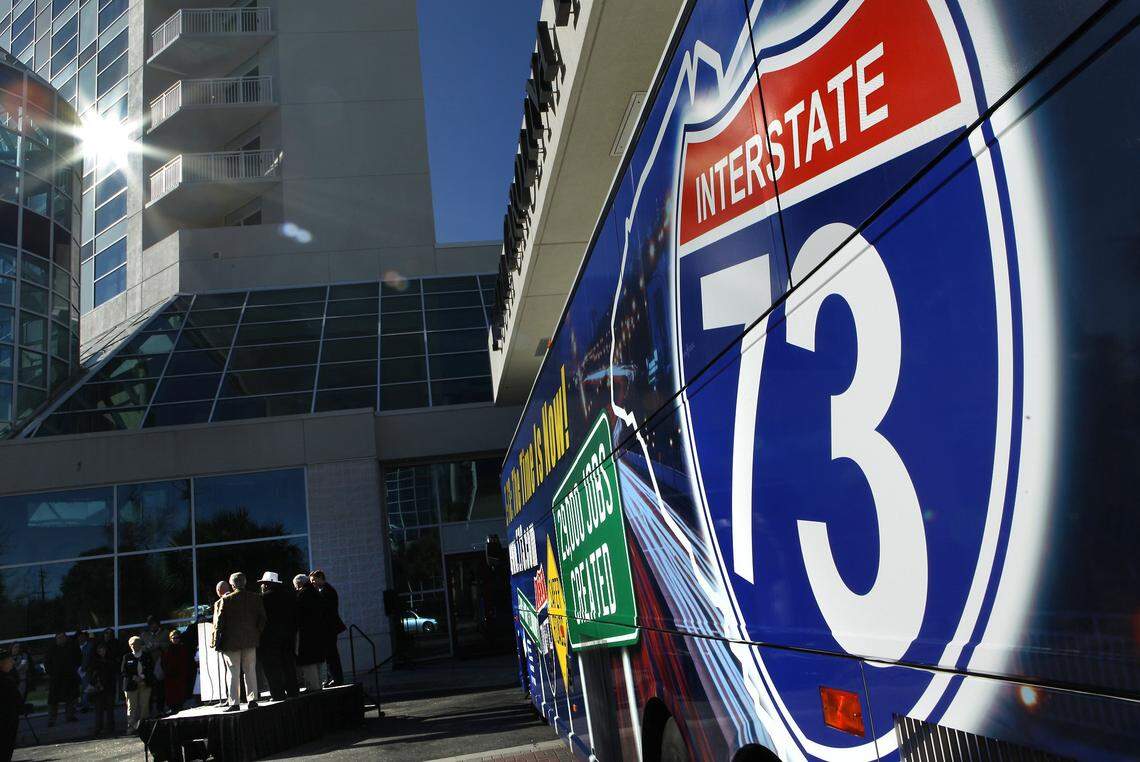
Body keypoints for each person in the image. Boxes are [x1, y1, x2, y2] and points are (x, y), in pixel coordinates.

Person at [211, 572, 266, 713]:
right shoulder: (256, 598)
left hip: (231, 642)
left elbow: (219, 624)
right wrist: (256, 632)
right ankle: (252, 700)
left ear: (232, 584)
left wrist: (215, 642)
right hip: (250, 640)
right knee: (250, 670)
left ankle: (234, 702)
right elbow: (262, 618)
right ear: (245, 582)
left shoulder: (225, 600)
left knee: (232, 672)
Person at [257, 571, 298, 701]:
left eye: (263, 583)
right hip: (288, 636)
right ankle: (292, 691)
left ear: (267, 584)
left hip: (269, 638)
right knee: (288, 665)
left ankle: (278, 694)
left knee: (272, 667)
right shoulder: (290, 597)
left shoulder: (263, 598)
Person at [309, 570, 346, 686]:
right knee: (329, 654)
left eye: (314, 580)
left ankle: (336, 678)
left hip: (329, 628)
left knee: (331, 654)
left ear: (320, 578)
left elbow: (326, 610)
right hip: (328, 627)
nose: (313, 583)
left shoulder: (327, 591)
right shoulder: (325, 590)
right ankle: (332, 677)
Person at [293, 574, 325, 692]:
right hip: (318, 631)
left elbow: (297, 616)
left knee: (308, 662)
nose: (296, 589)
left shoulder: (302, 595)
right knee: (317, 662)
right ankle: (319, 685)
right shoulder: (317, 593)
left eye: (296, 586)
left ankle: (313, 686)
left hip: (306, 633)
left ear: (299, 584)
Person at [121, 636, 155, 734]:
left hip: (145, 684)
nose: (133, 646)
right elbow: (123, 671)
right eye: (131, 644)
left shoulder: (146, 656)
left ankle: (143, 727)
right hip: (131, 686)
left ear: (140, 645)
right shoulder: (126, 657)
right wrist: (134, 677)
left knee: (144, 706)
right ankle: (131, 727)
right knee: (131, 707)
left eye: (135, 644)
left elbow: (150, 668)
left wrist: (144, 677)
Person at [1, 647, 30, 762]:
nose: (12, 662)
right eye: (9, 660)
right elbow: (15, 700)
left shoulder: (8, 678)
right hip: (6, 723)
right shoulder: (6, 681)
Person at [44, 632, 79, 726]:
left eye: (63, 637)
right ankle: (52, 719)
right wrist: (51, 672)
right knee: (53, 700)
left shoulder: (71, 647)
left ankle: (70, 716)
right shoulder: (51, 649)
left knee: (71, 698)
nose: (61, 639)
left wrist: (73, 669)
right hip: (56, 678)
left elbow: (78, 659)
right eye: (59, 637)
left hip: (69, 677)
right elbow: (47, 663)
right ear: (56, 639)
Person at [139, 616, 168, 716]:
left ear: (158, 624)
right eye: (151, 624)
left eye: (154, 624)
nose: (153, 626)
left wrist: (159, 644)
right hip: (149, 665)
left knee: (161, 689)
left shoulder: (165, 633)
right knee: (149, 690)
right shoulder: (144, 635)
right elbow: (140, 647)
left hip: (161, 664)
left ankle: (160, 709)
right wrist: (147, 647)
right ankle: (149, 710)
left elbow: (169, 644)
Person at [88, 641, 117, 736]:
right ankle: (98, 727)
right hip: (99, 688)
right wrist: (97, 684)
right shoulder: (94, 662)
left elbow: (113, 675)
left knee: (109, 709)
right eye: (100, 650)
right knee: (99, 710)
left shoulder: (110, 661)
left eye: (103, 650)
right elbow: (91, 676)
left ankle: (110, 727)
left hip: (109, 687)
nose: (102, 652)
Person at [160, 630, 193, 713]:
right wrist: (167, 671)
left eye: (177, 637)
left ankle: (180, 707)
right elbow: (163, 662)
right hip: (170, 676)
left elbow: (187, 662)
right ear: (170, 639)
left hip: (181, 675)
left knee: (181, 692)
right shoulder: (167, 649)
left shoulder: (184, 648)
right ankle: (172, 708)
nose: (175, 639)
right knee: (171, 693)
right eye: (173, 638)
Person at [211, 580, 232, 708]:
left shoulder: (220, 602)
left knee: (229, 672)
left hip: (226, 641)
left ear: (219, 591)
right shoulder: (238, 597)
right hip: (242, 640)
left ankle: (231, 698)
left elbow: (218, 625)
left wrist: (215, 642)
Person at [76, 631, 93, 713]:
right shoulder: (75, 647)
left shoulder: (90, 646)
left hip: (86, 670)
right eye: (79, 636)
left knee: (86, 688)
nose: (80, 638)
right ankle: (81, 703)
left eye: (82, 636)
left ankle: (85, 705)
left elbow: (89, 658)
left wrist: (85, 667)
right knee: (80, 688)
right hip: (77, 670)